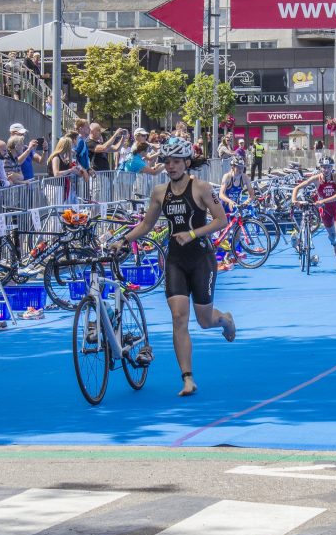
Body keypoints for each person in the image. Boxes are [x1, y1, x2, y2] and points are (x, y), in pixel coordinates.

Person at [111, 137, 235, 397]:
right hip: (176, 260)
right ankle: (187, 378)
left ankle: (224, 320)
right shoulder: (159, 192)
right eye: (167, 162)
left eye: (176, 162)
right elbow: (146, 225)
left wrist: (193, 234)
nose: (171, 167)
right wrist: (122, 240)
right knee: (179, 318)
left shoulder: (201, 188)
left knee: (203, 320)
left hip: (202, 259)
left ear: (187, 163)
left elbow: (222, 220)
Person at [292, 156, 336, 271]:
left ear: (332, 168)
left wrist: (322, 201)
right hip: (325, 211)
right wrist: (294, 200)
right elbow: (297, 187)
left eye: (328, 167)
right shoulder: (316, 179)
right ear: (320, 168)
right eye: (324, 167)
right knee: (332, 236)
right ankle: (334, 245)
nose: (326, 170)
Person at [47, 136, 87, 203]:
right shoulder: (56, 157)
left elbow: (78, 173)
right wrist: (71, 170)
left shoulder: (64, 158)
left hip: (61, 187)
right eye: (70, 146)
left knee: (61, 211)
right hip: (54, 187)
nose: (72, 148)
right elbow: (56, 174)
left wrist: (81, 171)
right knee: (57, 210)